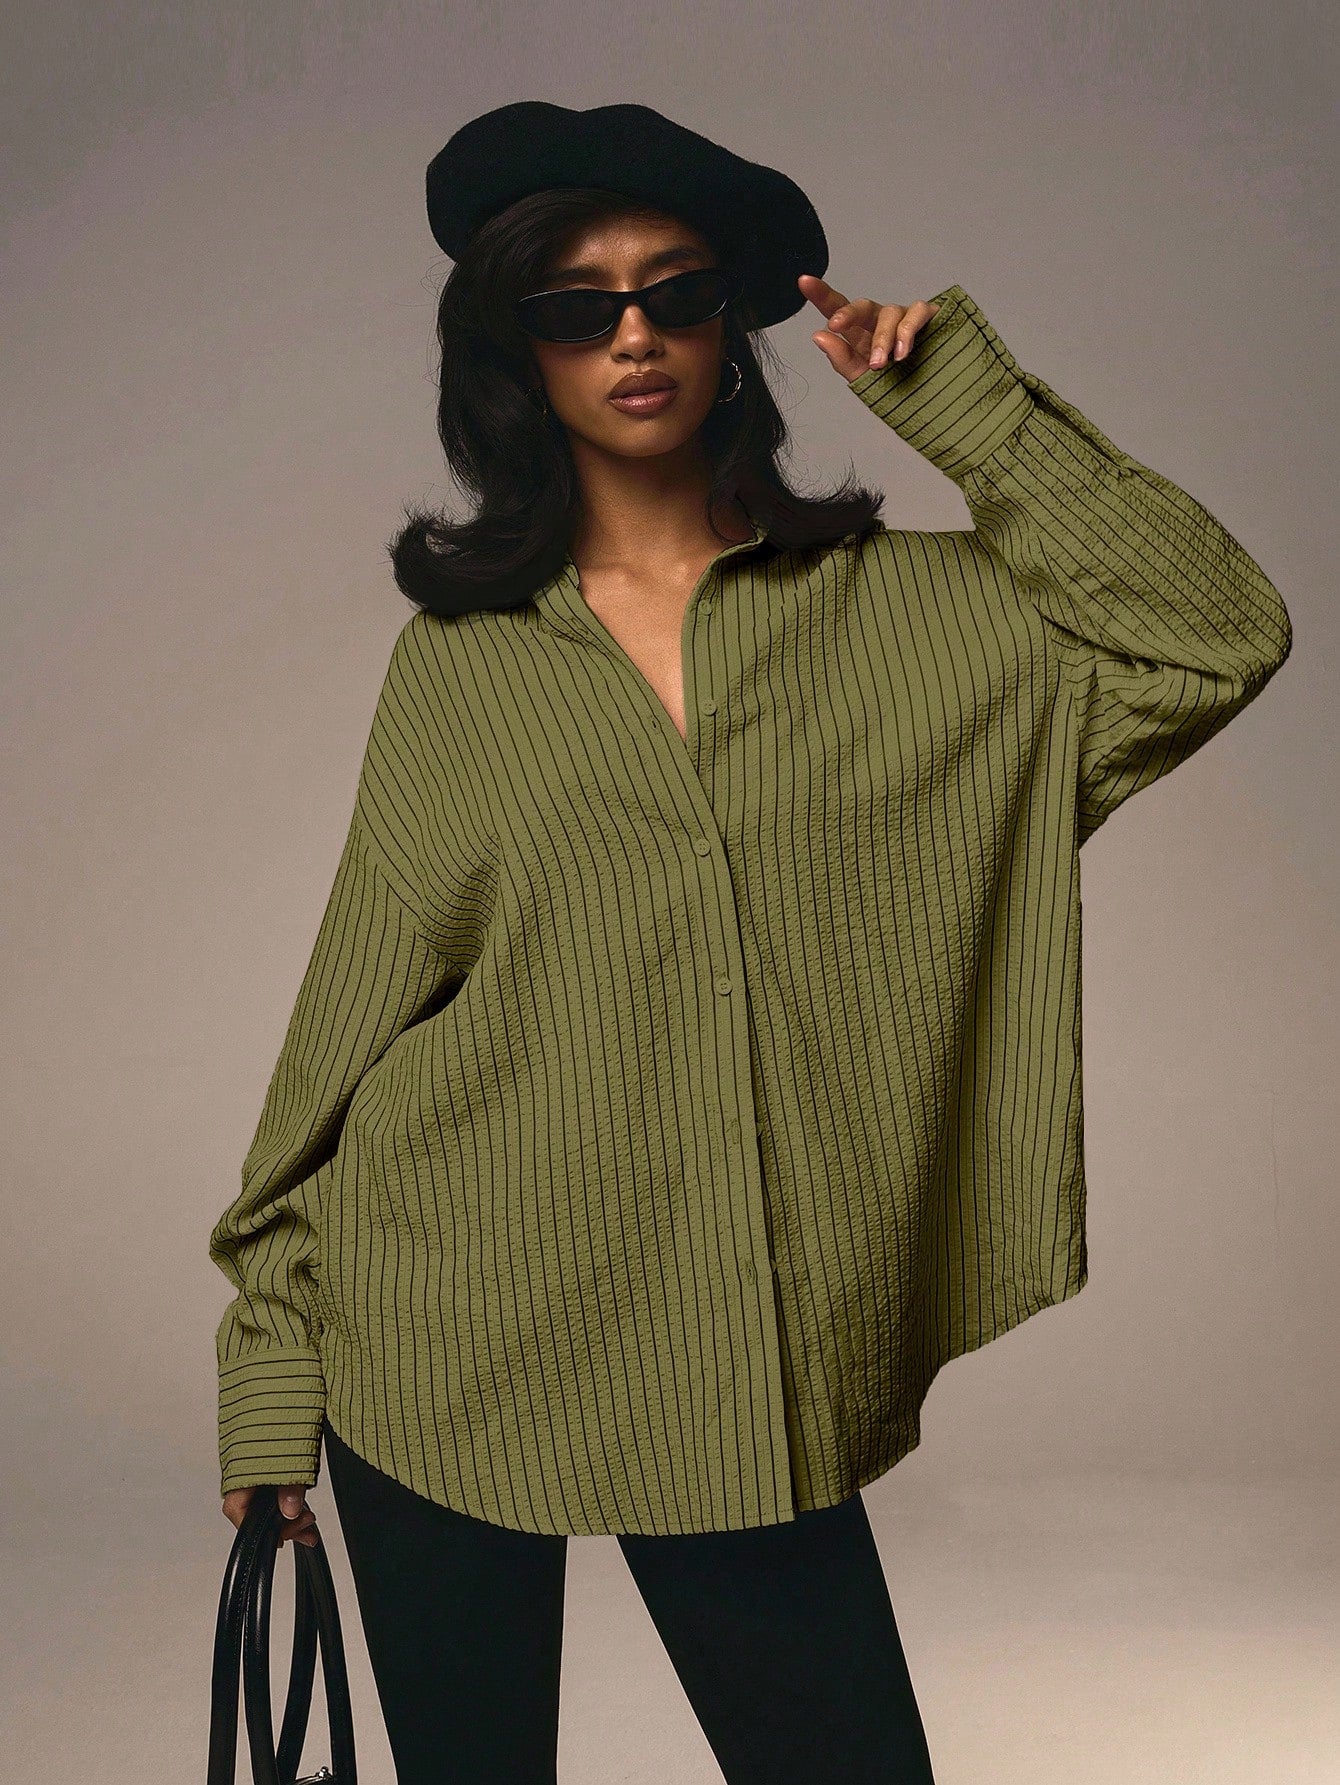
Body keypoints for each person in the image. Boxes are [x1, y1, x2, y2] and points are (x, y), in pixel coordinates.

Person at [210, 103, 1291, 1784]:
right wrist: (272, 1372)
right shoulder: (466, 666)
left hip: (734, 1353)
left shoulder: (930, 619)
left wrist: (969, 411)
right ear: (519, 356)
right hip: (442, 1331)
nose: (633, 334)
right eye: (577, 306)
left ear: (733, 326)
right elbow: (352, 1030)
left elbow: (1212, 635)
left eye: (676, 291)